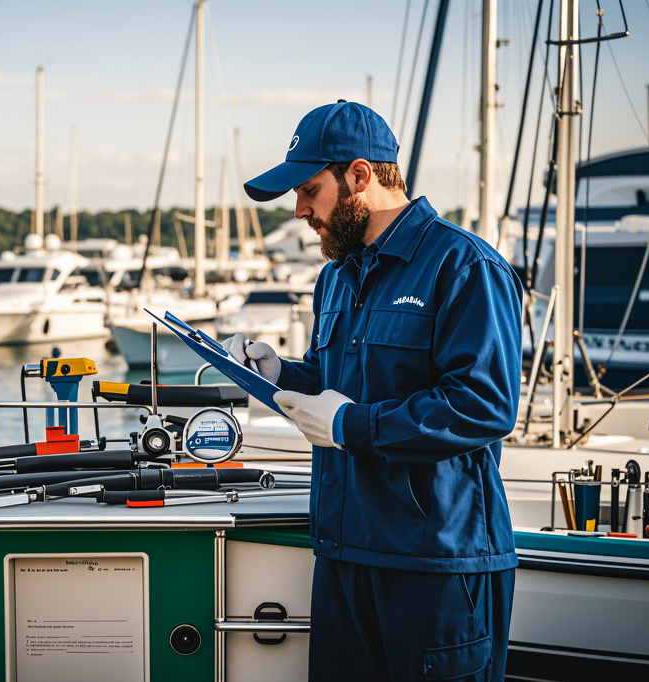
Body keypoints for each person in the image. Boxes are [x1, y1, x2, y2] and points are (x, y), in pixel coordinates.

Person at [223, 101, 522, 681]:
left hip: (436, 564)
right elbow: (335, 382)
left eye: (310, 189)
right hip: (343, 553)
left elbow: (483, 405)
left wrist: (350, 427)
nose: (300, 209)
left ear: (360, 176)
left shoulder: (464, 265)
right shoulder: (336, 275)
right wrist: (279, 374)